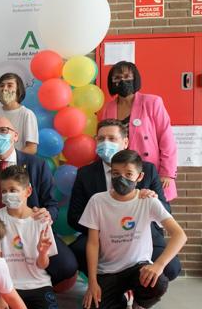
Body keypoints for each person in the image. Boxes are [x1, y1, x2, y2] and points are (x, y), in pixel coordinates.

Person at [80, 150, 187, 309]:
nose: (122, 179)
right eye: (116, 174)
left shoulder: (148, 200)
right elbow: (92, 243)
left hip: (138, 268)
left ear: (139, 176)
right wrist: (92, 281)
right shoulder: (97, 201)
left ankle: (141, 305)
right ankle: (121, 302)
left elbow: (179, 235)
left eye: (128, 174)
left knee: (158, 280)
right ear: (110, 174)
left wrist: (158, 265)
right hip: (108, 270)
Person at [0, 116, 78, 288]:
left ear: (15, 136)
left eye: (3, 130)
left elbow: (51, 204)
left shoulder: (37, 164)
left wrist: (48, 214)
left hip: (29, 231)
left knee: (66, 266)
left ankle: (35, 287)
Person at [68, 119, 181, 280]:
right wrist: (102, 229)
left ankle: (141, 295)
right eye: (101, 139)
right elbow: (74, 216)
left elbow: (166, 209)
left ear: (125, 142)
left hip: (142, 236)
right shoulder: (86, 174)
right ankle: (103, 285)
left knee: (171, 267)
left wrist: (153, 199)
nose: (105, 143)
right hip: (100, 237)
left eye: (112, 138)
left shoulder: (147, 169)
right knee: (74, 255)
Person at [0, 166, 62, 309]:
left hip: (38, 283)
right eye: (4, 191)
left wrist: (43, 252)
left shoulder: (41, 219)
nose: (8, 195)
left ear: (28, 191)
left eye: (13, 190)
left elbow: (43, 265)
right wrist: (0, 296)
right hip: (9, 286)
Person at [101, 61, 178, 201]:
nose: (122, 80)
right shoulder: (108, 107)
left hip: (148, 169)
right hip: (121, 171)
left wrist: (167, 172)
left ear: (135, 78)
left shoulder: (152, 102)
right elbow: (104, 138)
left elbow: (166, 139)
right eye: (117, 77)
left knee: (153, 212)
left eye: (126, 76)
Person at [0, 73, 39, 154]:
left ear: (18, 90)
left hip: (17, 164)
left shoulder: (27, 114)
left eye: (9, 85)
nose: (4, 89)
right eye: (1, 86)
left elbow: (31, 148)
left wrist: (9, 159)